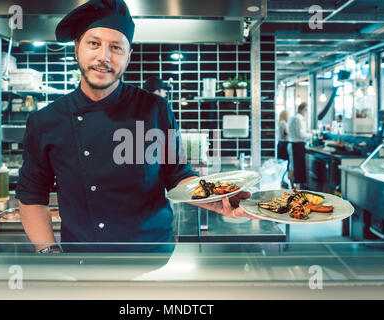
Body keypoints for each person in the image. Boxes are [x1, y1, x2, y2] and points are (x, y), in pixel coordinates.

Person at [15, 0, 257, 254]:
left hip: (151, 256)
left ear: (128, 57)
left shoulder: (154, 109)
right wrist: (49, 252)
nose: (103, 57)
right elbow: (32, 195)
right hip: (83, 261)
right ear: (77, 49)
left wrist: (217, 199)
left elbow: (177, 176)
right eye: (94, 43)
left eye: (116, 48)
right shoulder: (46, 121)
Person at [287, 103, 312, 189]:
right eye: (306, 110)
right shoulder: (298, 118)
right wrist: (310, 135)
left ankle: (293, 187)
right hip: (297, 145)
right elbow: (300, 134)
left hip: (292, 144)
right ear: (303, 110)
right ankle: (296, 188)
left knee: (292, 166)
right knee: (297, 168)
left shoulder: (293, 117)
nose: (306, 113)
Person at [277, 110, 289, 188]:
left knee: (282, 164)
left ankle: (282, 180)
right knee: (286, 164)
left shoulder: (279, 123)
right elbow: (287, 132)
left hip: (280, 144)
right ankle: (283, 179)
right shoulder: (284, 123)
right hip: (284, 144)